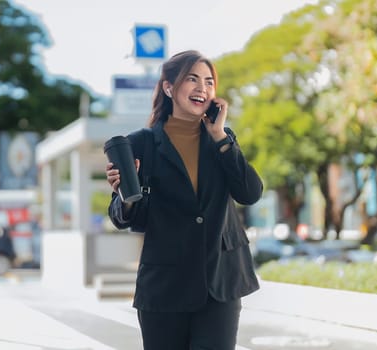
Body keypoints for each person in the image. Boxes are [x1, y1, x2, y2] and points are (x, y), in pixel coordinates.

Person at [105, 50, 263, 350]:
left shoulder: (222, 139)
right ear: (169, 88)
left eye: (208, 81)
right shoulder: (141, 143)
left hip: (219, 283)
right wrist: (124, 193)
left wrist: (219, 136)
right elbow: (121, 216)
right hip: (164, 287)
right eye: (192, 79)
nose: (202, 88)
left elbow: (250, 193)